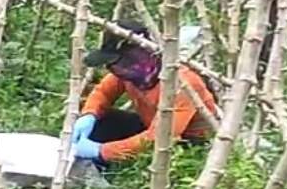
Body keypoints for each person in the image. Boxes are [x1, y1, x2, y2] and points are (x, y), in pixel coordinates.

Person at [71, 21, 217, 164]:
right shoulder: (127, 74)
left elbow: (161, 138)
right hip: (150, 126)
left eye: (120, 62)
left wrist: (102, 151)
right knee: (101, 121)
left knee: (157, 152)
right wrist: (89, 115)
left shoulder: (181, 84)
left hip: (186, 143)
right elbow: (103, 93)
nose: (116, 69)